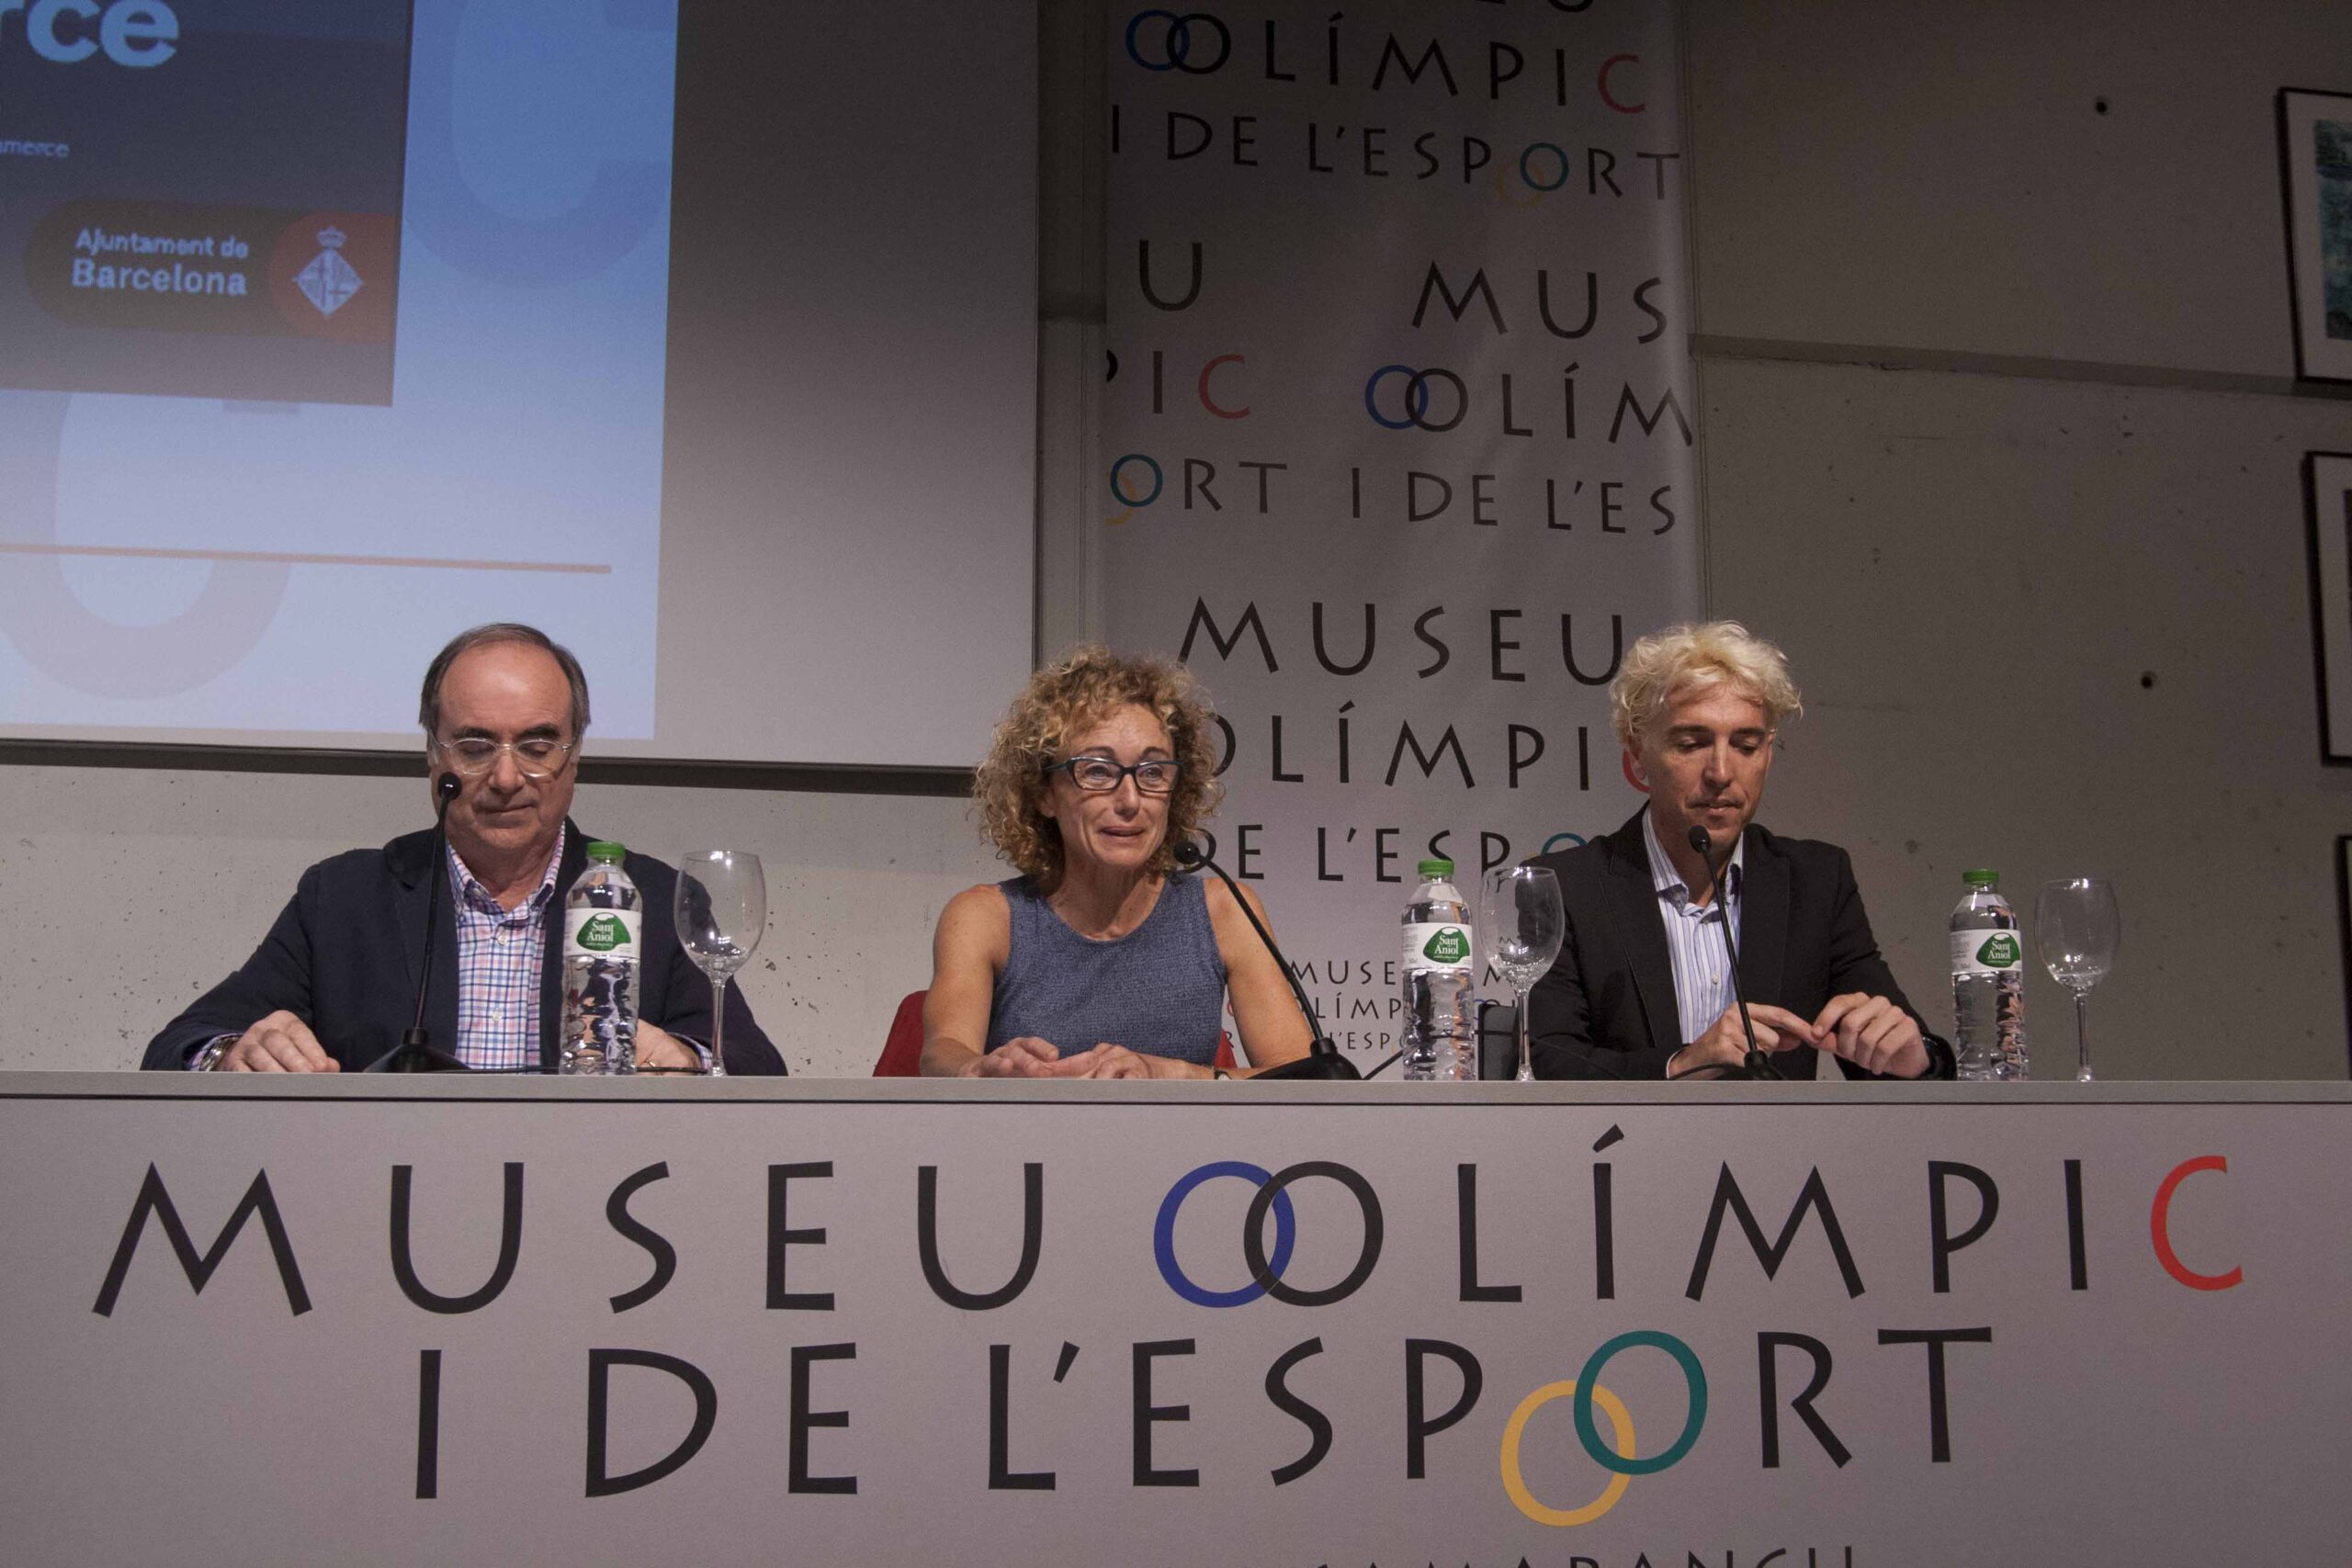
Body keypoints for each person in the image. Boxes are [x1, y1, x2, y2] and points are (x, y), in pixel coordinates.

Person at [141, 624, 784, 1075]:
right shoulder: (343, 899)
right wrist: (232, 1054)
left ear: (575, 754)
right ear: (432, 754)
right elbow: (178, 1045)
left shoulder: (648, 897)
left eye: (536, 746)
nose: (505, 779)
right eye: (475, 747)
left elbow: (755, 1068)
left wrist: (686, 1062)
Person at [1524, 621, 1953, 1082]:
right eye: (1691, 744)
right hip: (1620, 1152)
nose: (1722, 772)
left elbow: (1888, 1058)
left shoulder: (1816, 881)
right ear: (1637, 756)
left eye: (1746, 745)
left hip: (1779, 1155)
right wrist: (1682, 1066)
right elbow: (1547, 1061)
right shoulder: (1566, 888)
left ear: (1767, 754)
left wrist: (1914, 1057)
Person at [921, 646, 1312, 1079]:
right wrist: (982, 1070)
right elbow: (941, 1055)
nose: (1130, 801)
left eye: (1152, 772)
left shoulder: (1224, 910)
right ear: (1044, 793)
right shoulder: (985, 916)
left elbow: (1299, 1075)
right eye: (1098, 772)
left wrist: (1172, 1076)